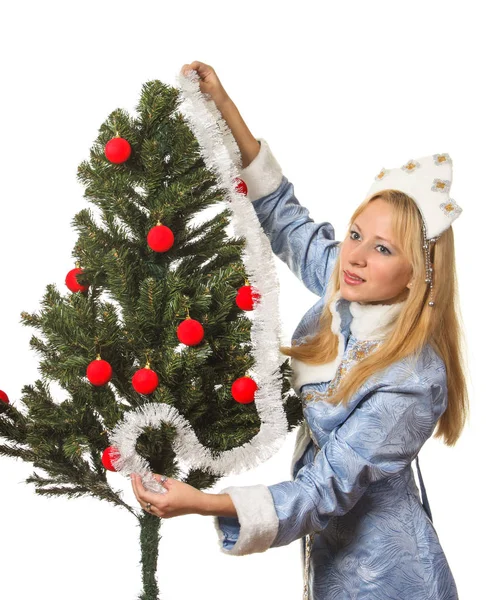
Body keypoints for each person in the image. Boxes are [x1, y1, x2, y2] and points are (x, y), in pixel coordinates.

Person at [130, 61, 468, 600]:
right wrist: (224, 107)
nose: (353, 256)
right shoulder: (349, 284)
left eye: (383, 248)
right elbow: (287, 220)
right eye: (356, 234)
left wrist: (202, 501)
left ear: (419, 275)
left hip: (390, 577)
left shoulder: (414, 379)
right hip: (330, 559)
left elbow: (321, 490)